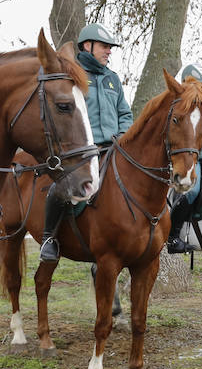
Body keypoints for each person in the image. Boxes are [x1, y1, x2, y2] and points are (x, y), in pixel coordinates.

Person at [39, 22, 133, 262]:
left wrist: (122, 137)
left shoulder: (113, 79)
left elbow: (125, 113)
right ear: (87, 46)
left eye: (110, 47)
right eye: (104, 46)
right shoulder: (73, 75)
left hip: (114, 150)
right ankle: (49, 238)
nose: (109, 51)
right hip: (84, 151)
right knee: (58, 188)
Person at [166, 64, 202, 253]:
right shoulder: (182, 105)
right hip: (193, 159)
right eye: (200, 84)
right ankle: (173, 236)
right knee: (192, 191)